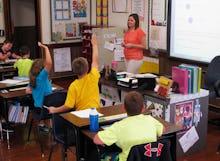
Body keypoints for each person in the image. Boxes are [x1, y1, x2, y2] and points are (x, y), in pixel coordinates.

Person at [93, 91, 164, 161]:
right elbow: (162, 130)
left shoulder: (119, 126)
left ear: (124, 108)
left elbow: (97, 140)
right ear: (143, 107)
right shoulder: (150, 120)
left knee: (102, 156)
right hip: (149, 158)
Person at [48, 34, 100, 114]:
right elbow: (95, 61)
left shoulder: (73, 86)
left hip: (81, 117)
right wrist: (95, 45)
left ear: (74, 70)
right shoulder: (93, 77)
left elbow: (68, 106)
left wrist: (55, 110)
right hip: (96, 114)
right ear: (87, 68)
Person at [25, 42, 52, 128]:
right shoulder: (42, 77)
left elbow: (27, 91)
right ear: (42, 69)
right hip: (46, 108)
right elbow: (49, 63)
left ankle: (41, 124)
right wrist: (46, 48)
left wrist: (36, 91)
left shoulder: (33, 79)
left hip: (37, 108)